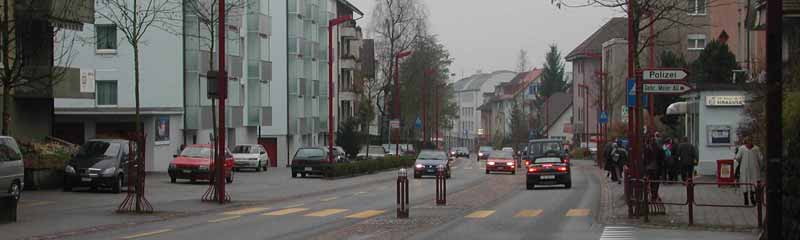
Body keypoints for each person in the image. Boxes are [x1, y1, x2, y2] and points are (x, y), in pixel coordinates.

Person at [735, 137, 763, 206]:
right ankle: (746, 199)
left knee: (754, 183)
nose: (749, 143)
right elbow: (738, 157)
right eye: (748, 142)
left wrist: (760, 167)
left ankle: (752, 198)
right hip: (745, 169)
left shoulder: (756, 148)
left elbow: (760, 159)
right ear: (745, 142)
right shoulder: (742, 148)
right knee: (745, 183)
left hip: (754, 169)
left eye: (750, 141)